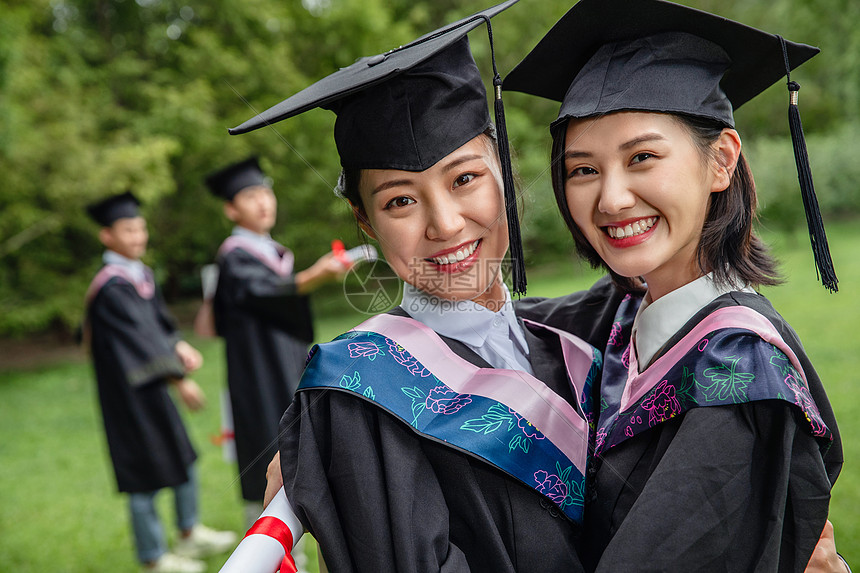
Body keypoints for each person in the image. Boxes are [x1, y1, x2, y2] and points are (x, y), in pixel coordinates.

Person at [224, 1, 628, 570]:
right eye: (400, 201)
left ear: (504, 178)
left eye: (465, 179)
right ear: (365, 222)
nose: (444, 224)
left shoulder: (592, 334)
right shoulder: (360, 398)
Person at [503, 0, 844, 570]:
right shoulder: (623, 314)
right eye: (583, 169)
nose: (610, 198)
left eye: (642, 157)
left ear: (721, 161)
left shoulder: (740, 373)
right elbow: (483, 331)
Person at [84, 191, 237, 573]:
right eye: (128, 229)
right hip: (129, 395)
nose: (138, 236)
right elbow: (138, 341)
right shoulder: (112, 287)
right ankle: (152, 558)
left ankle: (188, 533)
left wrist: (179, 344)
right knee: (142, 475)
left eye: (141, 228)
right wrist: (179, 378)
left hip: (151, 388)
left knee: (182, 456)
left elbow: (158, 329)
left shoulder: (139, 275)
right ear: (107, 236)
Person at [203, 157, 349, 525]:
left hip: (285, 361)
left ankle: (298, 521)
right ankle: (266, 533)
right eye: (251, 196)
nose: (264, 201)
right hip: (257, 369)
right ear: (231, 209)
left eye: (265, 192)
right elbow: (263, 291)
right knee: (267, 436)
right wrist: (314, 276)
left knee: (294, 432)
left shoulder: (272, 251)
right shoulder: (235, 257)